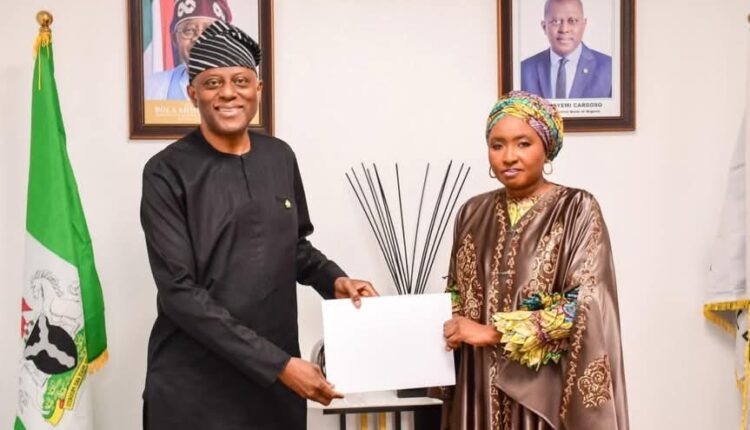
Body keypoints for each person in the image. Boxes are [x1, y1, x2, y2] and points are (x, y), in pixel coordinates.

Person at [140, 20, 377, 429]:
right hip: (194, 389)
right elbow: (179, 293)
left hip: (273, 392)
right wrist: (280, 365)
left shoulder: (279, 156)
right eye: (212, 83)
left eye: (240, 80)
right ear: (192, 93)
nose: (228, 93)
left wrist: (334, 280)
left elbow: (294, 246)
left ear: (258, 89)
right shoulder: (165, 172)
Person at [439, 91, 627, 429]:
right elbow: (456, 293)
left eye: (523, 143)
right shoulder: (471, 213)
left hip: (541, 393)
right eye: (497, 145)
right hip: (477, 387)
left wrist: (492, 333)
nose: (509, 156)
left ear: (547, 148)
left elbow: (584, 305)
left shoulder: (576, 209)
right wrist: (446, 321)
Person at [521, 0, 612, 99]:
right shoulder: (524, 69)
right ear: (544, 27)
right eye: (555, 21)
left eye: (572, 21)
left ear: (584, 25)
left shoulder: (610, 68)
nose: (564, 29)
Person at [144, 0, 232, 100]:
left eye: (210, 30)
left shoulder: (241, 89)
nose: (199, 38)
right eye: (189, 30)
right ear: (175, 39)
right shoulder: (152, 87)